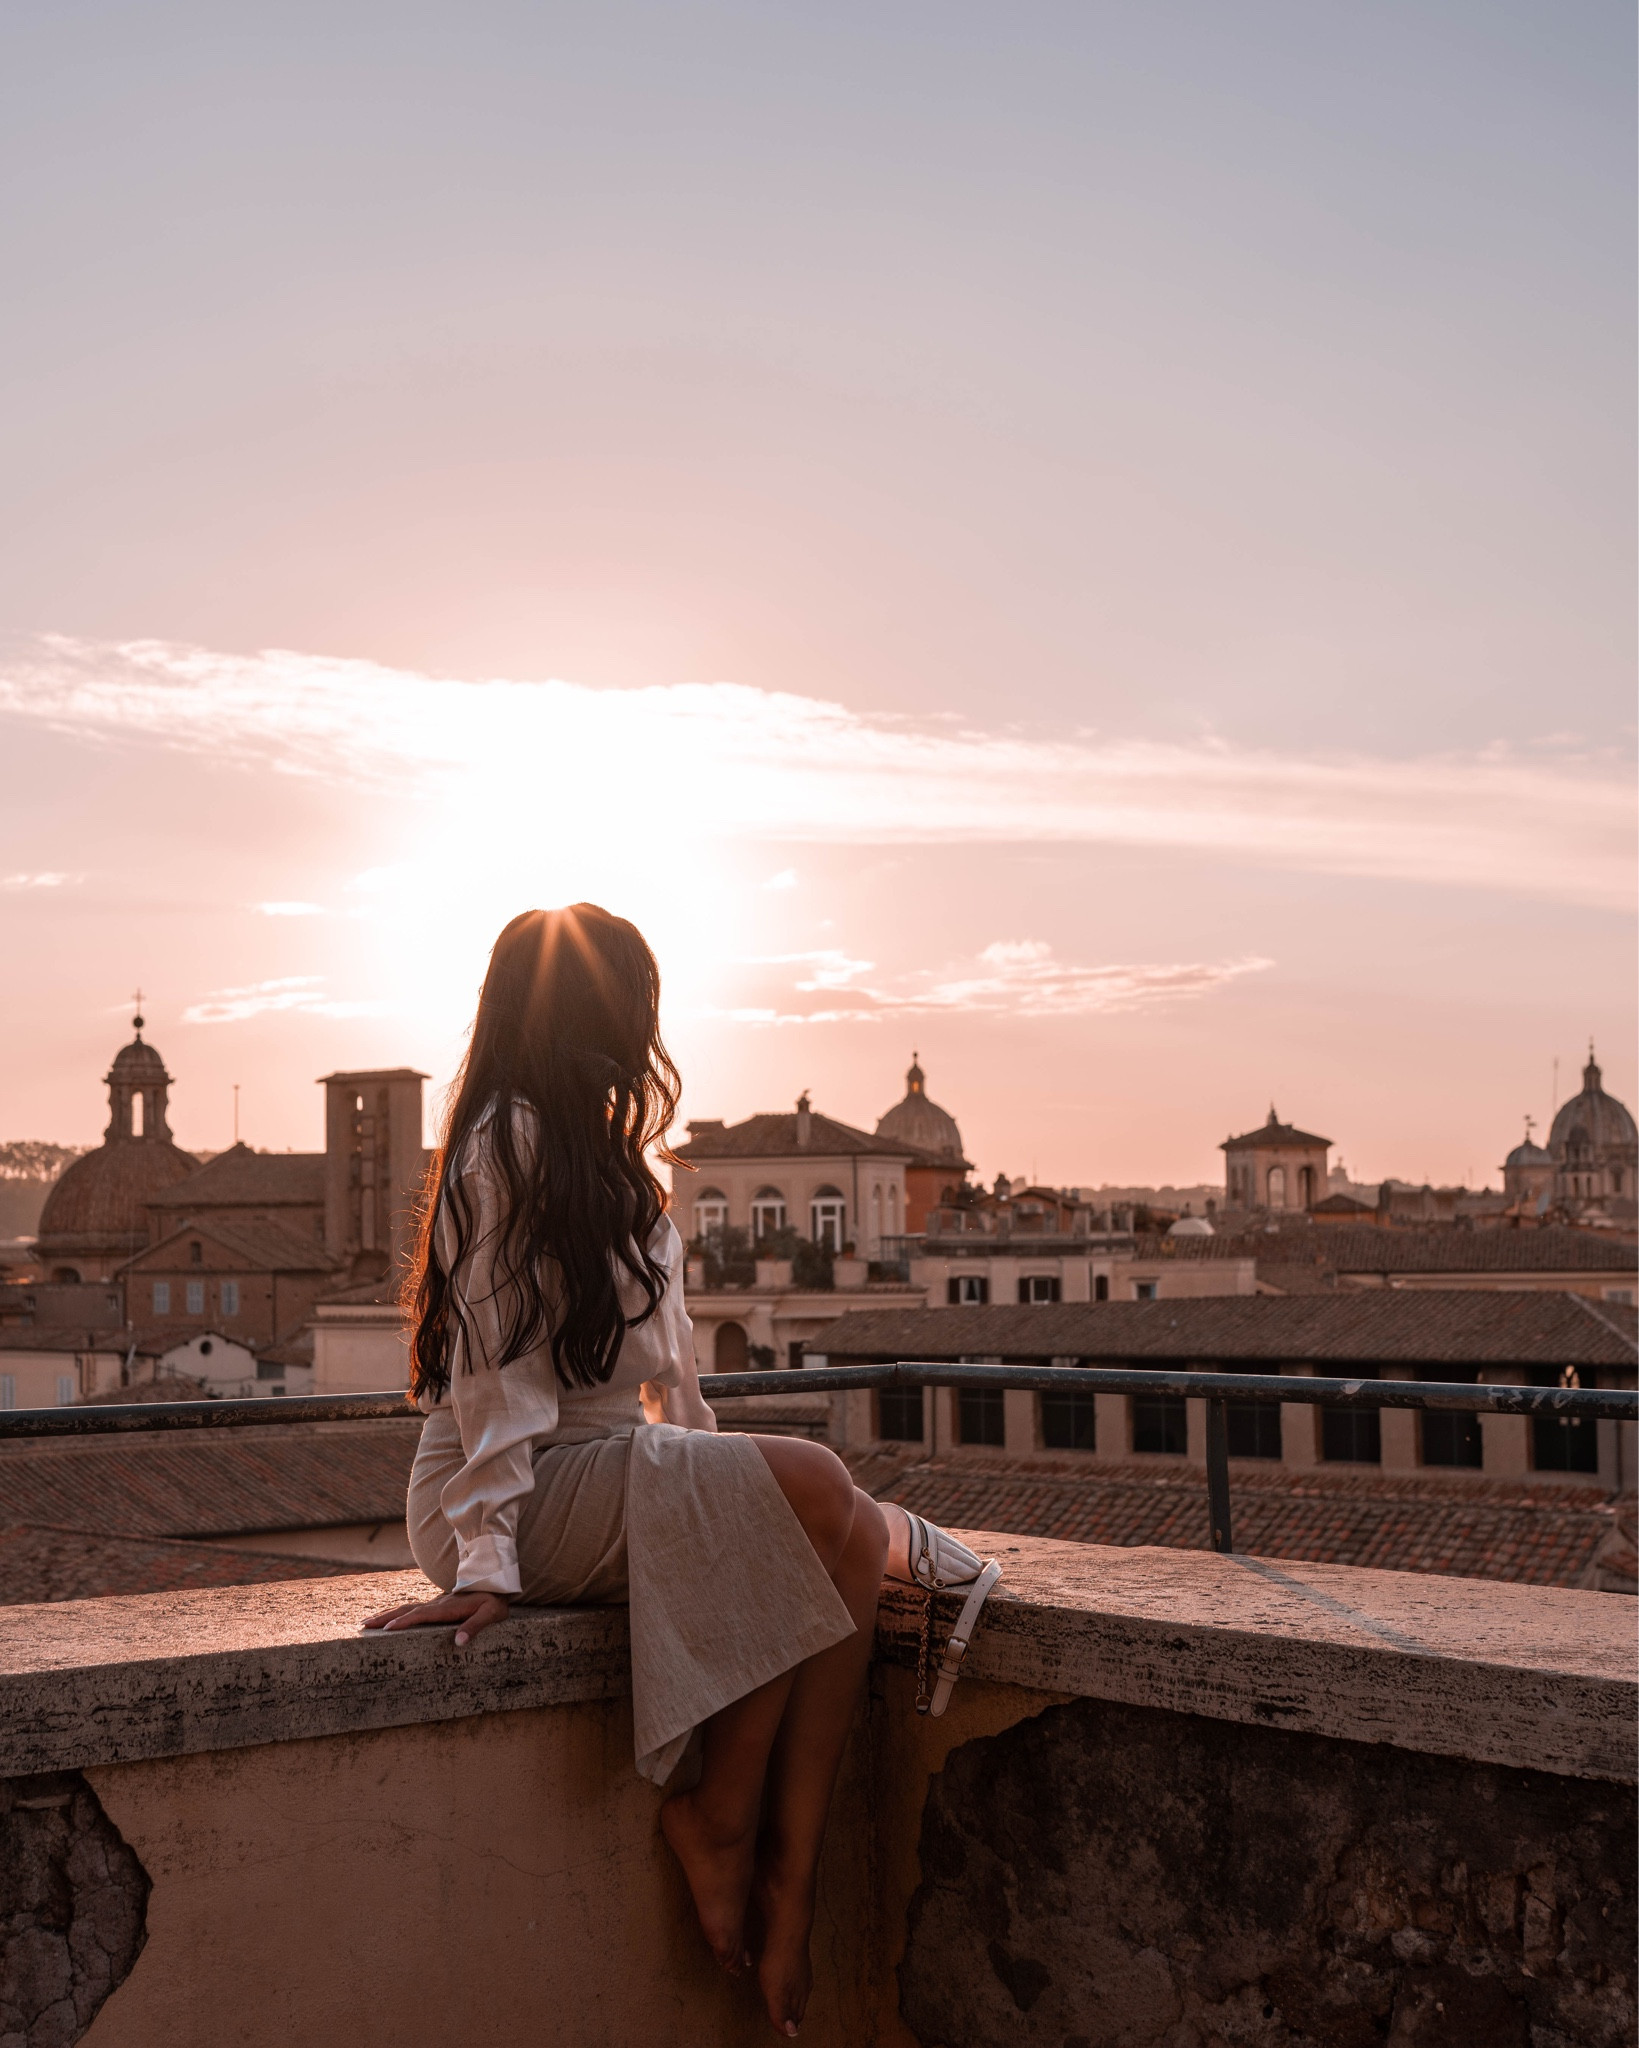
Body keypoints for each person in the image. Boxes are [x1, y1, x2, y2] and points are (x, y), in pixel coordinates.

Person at [366, 904, 975, 2038]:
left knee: (832, 1519)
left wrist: (726, 1481)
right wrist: (486, 1558)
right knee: (815, 1491)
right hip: (504, 1490)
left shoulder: (612, 1160)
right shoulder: (503, 1140)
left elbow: (674, 1381)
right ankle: (725, 1819)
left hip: (606, 1467)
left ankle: (785, 1861)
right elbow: (496, 1372)